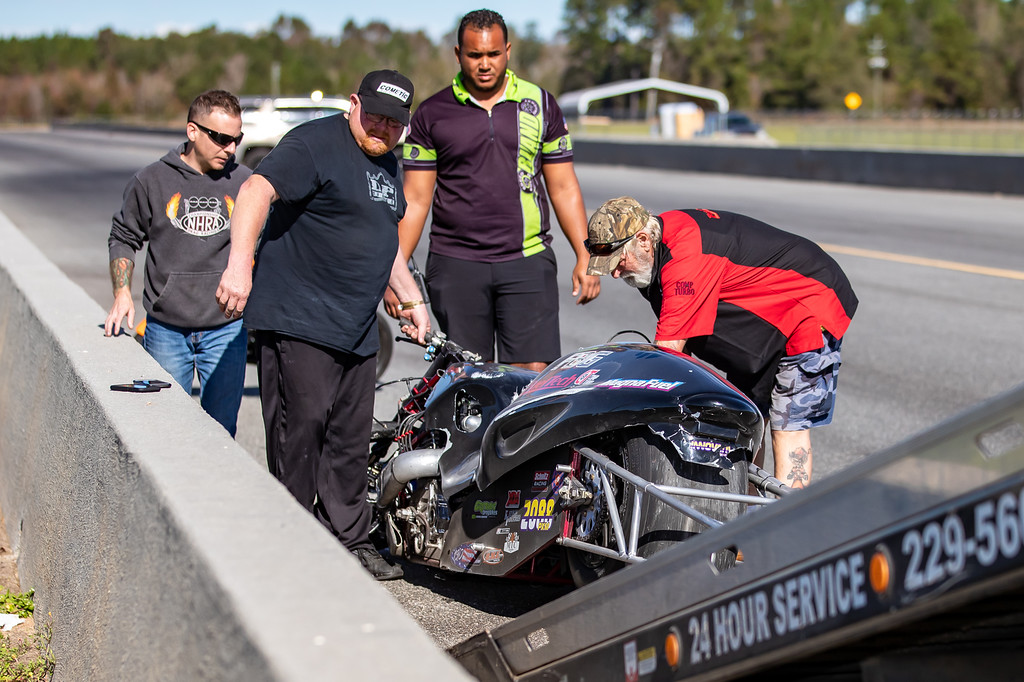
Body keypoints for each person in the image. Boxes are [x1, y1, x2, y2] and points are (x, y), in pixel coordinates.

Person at [214, 70, 428, 581]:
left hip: (355, 328)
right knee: (299, 434)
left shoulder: (388, 162)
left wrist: (411, 299)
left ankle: (347, 541)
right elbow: (255, 192)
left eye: (393, 122)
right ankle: (292, 545)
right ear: (353, 103)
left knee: (349, 442)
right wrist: (239, 266)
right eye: (373, 114)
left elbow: (383, 241)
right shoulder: (314, 143)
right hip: (299, 318)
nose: (381, 128)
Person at [585, 197, 858, 489]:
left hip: (809, 301)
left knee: (787, 424)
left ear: (643, 240)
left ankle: (785, 523)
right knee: (747, 418)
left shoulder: (685, 261)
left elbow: (667, 356)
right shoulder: (654, 250)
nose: (614, 273)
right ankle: (748, 514)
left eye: (618, 262)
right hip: (760, 327)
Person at [388, 8, 599, 371]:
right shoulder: (431, 113)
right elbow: (416, 199)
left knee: (531, 380)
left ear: (508, 51)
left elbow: (563, 186)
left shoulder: (540, 104)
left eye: (492, 54)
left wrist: (587, 255)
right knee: (472, 380)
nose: (484, 64)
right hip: (456, 264)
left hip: (527, 261)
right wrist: (395, 277)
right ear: (458, 54)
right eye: (474, 55)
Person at [104, 89, 252, 436]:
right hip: (166, 330)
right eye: (220, 138)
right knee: (165, 429)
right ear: (192, 131)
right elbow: (124, 236)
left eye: (236, 139)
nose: (230, 148)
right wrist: (121, 293)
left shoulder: (245, 182)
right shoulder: (152, 180)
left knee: (220, 432)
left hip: (227, 328)